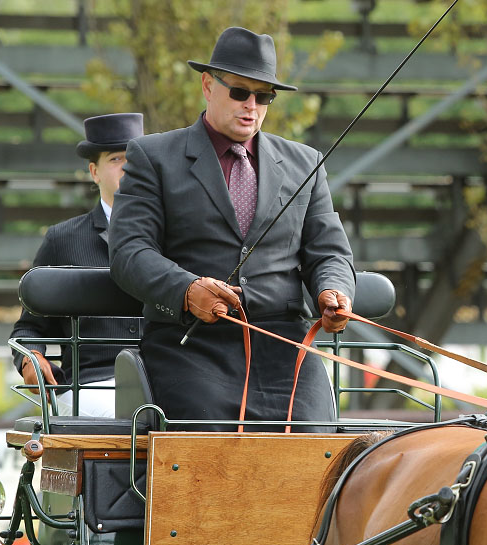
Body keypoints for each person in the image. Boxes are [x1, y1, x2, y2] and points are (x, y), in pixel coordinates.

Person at [109, 27, 355, 426]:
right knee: (210, 444)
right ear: (208, 86)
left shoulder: (305, 163)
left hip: (285, 346)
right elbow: (128, 252)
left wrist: (333, 290)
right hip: (190, 345)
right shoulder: (153, 157)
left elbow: (329, 251)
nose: (252, 106)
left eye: (264, 96)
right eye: (240, 92)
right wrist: (186, 290)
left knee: (316, 446)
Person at [11, 113, 145, 417]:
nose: (127, 167)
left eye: (134, 159)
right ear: (94, 171)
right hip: (91, 384)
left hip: (163, 378)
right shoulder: (63, 239)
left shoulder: (174, 235)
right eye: (115, 159)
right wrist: (31, 358)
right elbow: (30, 326)